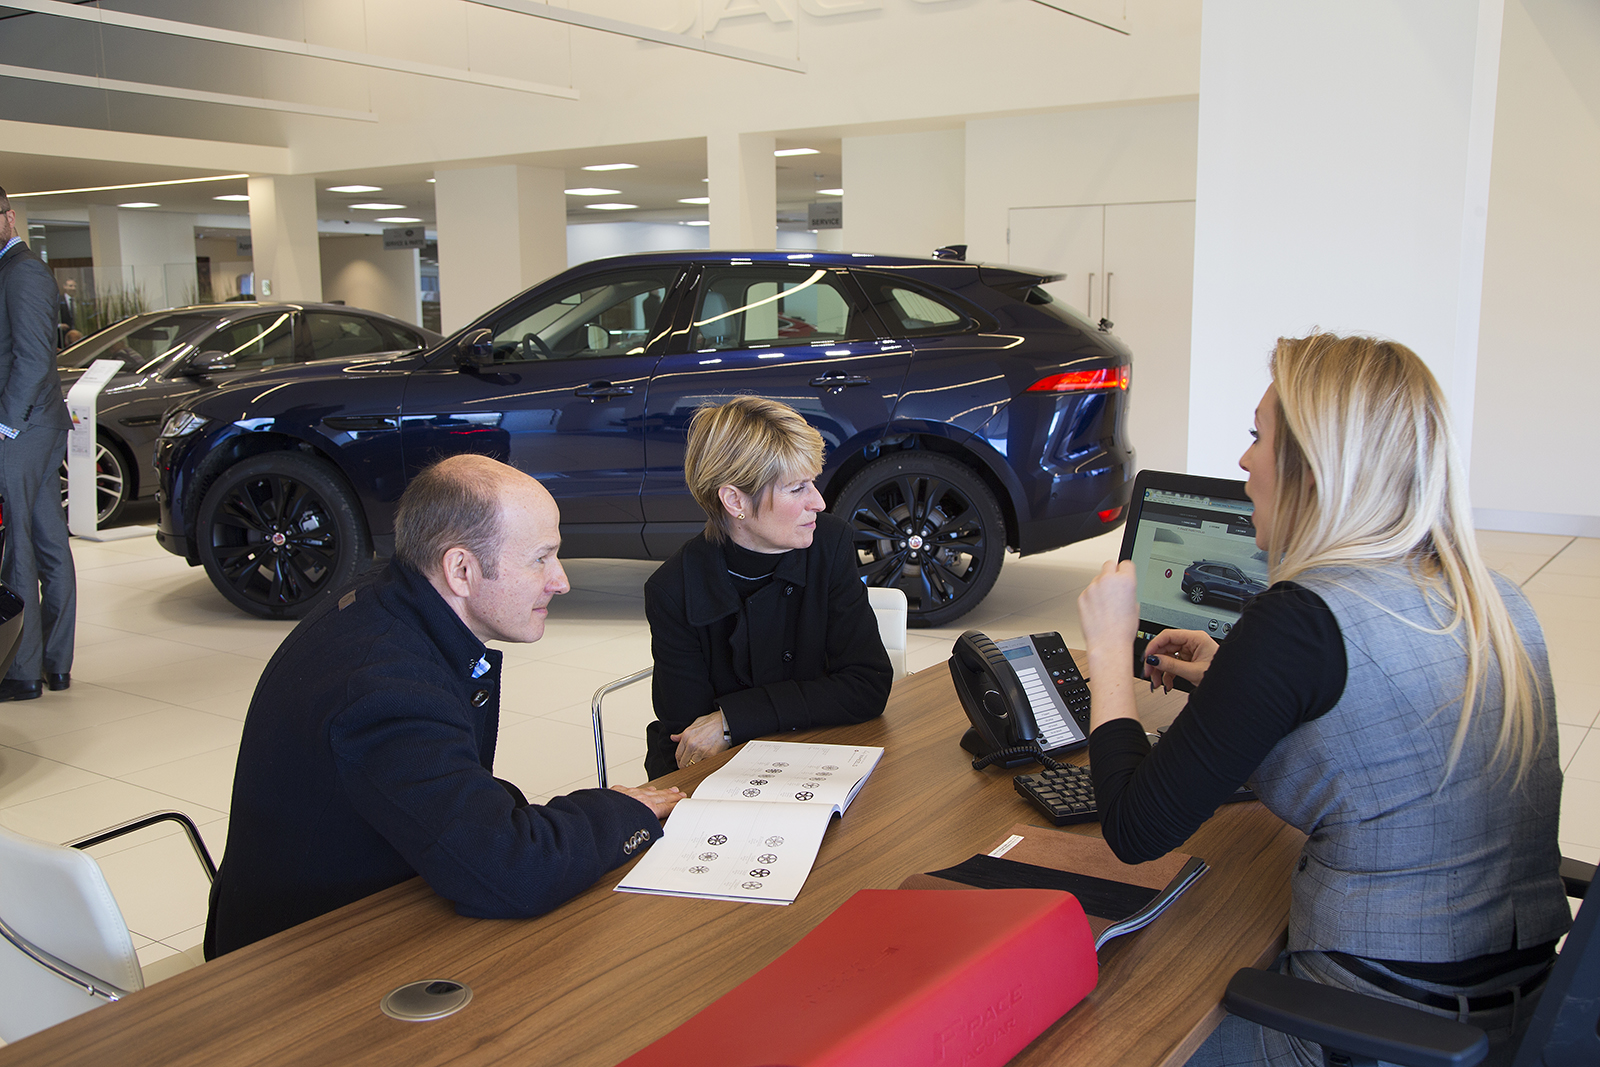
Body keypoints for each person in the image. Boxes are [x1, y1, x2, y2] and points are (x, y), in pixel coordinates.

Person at [1076, 334, 1569, 1067]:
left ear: (1313, 468)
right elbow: (1401, 717)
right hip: (1518, 1012)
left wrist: (1110, 649)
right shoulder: (1493, 597)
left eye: (1258, 437)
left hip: (1368, 1028)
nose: (1243, 462)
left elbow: (1132, 828)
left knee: (1098, 1030)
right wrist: (1236, 675)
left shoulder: (1299, 621)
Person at [204, 455, 684, 958]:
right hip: (296, 960)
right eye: (540, 558)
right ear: (460, 569)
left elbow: (450, 792)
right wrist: (619, 813)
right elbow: (516, 871)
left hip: (366, 904)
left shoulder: (389, 601)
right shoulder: (385, 688)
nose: (560, 581)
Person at [643, 396, 892, 779]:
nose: (819, 502)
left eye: (813, 482)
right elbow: (691, 738)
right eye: (797, 488)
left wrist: (732, 718)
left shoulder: (829, 543)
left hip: (815, 753)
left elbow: (867, 685)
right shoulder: (674, 589)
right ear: (734, 500)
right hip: (714, 776)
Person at [0, 186, 75, 702]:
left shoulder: (23, 271)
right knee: (49, 542)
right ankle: (56, 664)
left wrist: (4, 424)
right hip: (37, 424)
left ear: (8, 216)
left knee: (19, 545)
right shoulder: (13, 269)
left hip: (24, 427)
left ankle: (22, 671)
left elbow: (32, 358)